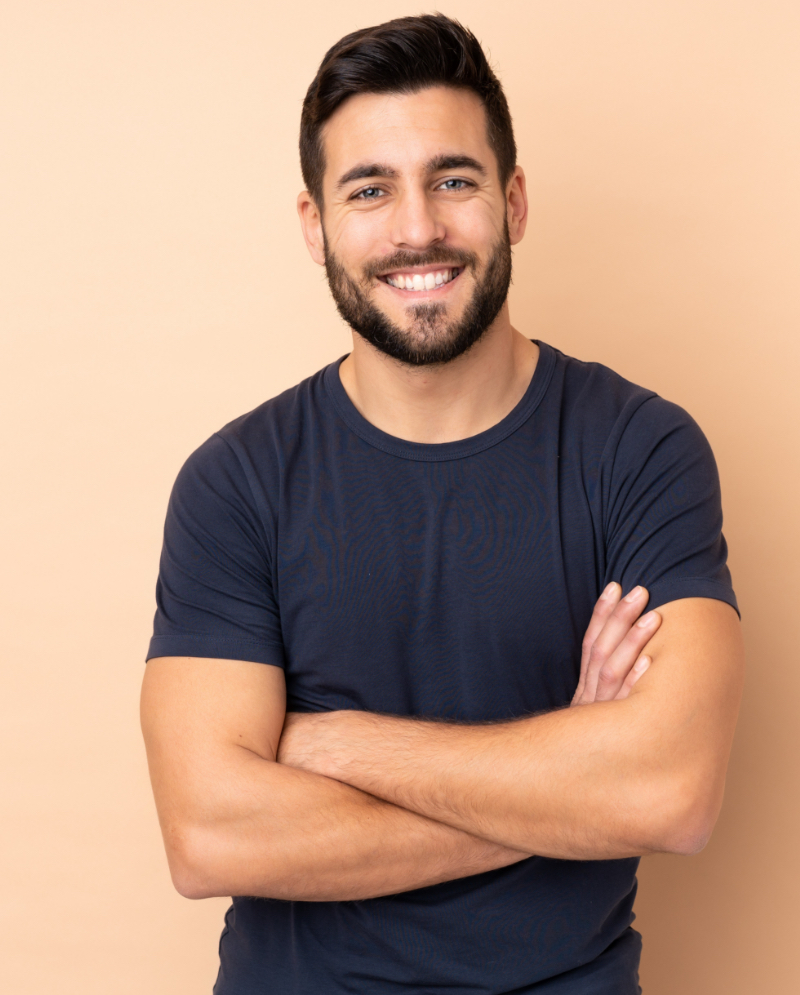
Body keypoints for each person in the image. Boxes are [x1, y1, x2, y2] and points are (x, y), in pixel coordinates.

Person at [140, 14, 743, 994]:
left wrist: (334, 743)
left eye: (451, 179)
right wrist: (561, 783)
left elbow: (666, 791)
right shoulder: (235, 481)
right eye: (368, 188)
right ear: (314, 224)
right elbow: (209, 835)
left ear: (511, 201)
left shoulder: (639, 450)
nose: (415, 227)